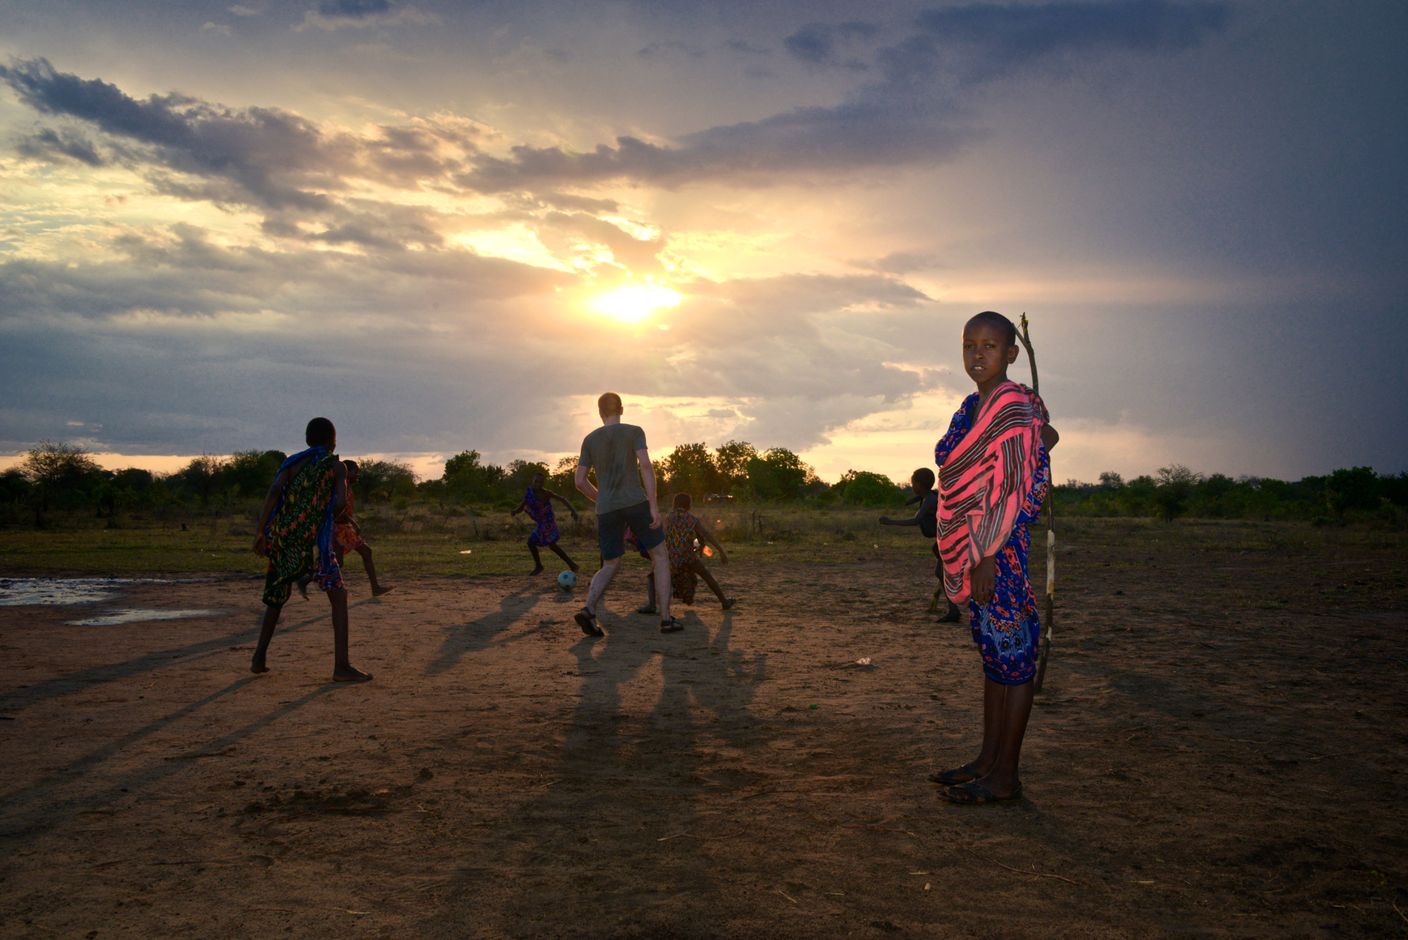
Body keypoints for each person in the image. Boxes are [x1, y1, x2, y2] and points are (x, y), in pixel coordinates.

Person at [929, 311, 1058, 804]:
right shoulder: (972, 406)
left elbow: (1015, 487)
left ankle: (1006, 776)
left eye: (989, 346)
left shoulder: (1013, 405)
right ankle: (987, 760)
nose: (977, 355)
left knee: (1016, 661)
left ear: (1011, 353)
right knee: (994, 658)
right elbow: (951, 459)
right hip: (973, 545)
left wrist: (987, 555)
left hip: (999, 552)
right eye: (969, 345)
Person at [251, 417, 372, 682]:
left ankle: (259, 657)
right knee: (339, 597)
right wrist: (323, 512)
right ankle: (341, 666)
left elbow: (274, 491)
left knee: (276, 596)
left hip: (282, 537)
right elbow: (340, 502)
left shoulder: (292, 463)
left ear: (307, 440)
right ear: (333, 440)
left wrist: (261, 531)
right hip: (314, 540)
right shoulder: (335, 466)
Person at [573, 392, 678, 635]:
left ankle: (589, 609)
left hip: (606, 509)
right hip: (635, 502)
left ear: (600, 413)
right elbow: (646, 466)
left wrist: (601, 498)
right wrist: (653, 505)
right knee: (660, 556)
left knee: (610, 563)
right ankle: (665, 619)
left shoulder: (589, 440)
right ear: (621, 409)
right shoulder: (634, 431)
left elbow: (579, 481)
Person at [879, 467, 963, 623]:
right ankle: (954, 609)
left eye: (913, 483)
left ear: (918, 484)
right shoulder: (930, 496)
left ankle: (955, 609)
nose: (912, 486)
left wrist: (890, 522)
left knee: (942, 572)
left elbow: (916, 521)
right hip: (946, 539)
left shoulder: (930, 499)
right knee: (941, 572)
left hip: (949, 539)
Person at [298, 459, 391, 598]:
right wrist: (352, 522)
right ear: (347, 472)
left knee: (366, 552)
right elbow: (336, 511)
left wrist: (351, 523)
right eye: (356, 472)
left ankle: (375, 587)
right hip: (337, 529)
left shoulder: (346, 487)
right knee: (339, 562)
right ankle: (307, 579)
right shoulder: (339, 487)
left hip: (344, 528)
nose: (358, 475)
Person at [637, 493, 736, 614]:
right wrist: (721, 551)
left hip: (672, 558)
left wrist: (655, 555)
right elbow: (706, 534)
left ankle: (652, 605)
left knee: (651, 577)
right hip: (688, 557)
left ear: (674, 504)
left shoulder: (668, 518)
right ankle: (724, 602)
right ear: (689, 505)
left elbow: (661, 538)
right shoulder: (692, 519)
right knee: (706, 576)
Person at [510, 471, 580, 576]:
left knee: (545, 544)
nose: (538, 484)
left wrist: (573, 510)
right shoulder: (529, 492)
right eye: (536, 481)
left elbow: (562, 499)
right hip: (540, 522)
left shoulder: (546, 493)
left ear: (543, 483)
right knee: (541, 544)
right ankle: (570, 565)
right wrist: (515, 511)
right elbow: (523, 504)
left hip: (548, 522)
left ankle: (544, 566)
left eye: (541, 482)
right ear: (532, 481)